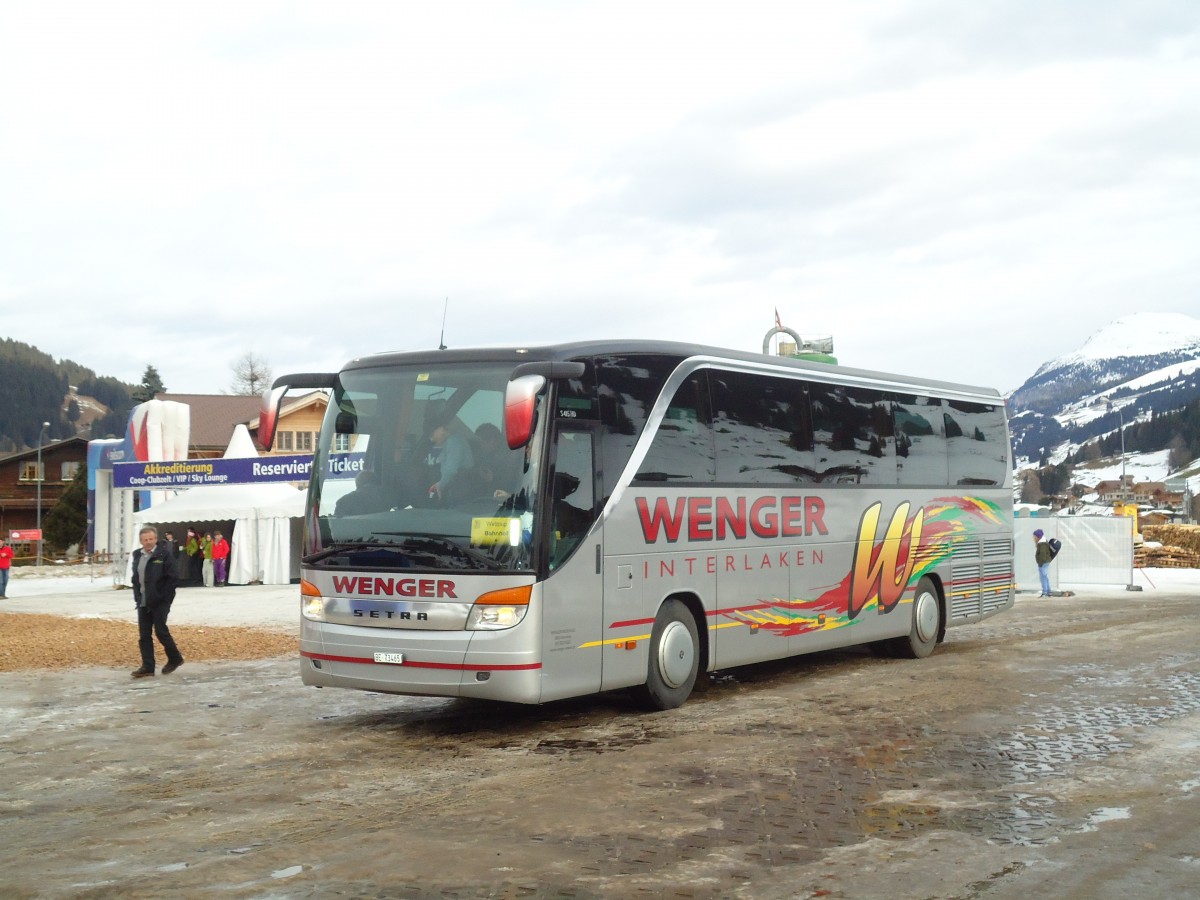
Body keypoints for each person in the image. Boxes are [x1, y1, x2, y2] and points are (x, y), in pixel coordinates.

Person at [130, 524, 183, 678]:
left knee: (160, 631)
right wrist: (137, 597)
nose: (148, 542)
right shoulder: (137, 555)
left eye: (151, 539)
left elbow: (173, 578)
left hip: (160, 600)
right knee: (144, 635)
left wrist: (164, 597)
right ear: (141, 541)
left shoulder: (164, 554)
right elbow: (136, 579)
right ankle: (147, 666)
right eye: (145, 539)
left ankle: (175, 658)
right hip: (143, 601)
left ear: (155, 538)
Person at [426, 408, 474, 502]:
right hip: (456, 488)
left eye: (432, 434)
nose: (432, 439)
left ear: (441, 429)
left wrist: (440, 485)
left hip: (460, 490)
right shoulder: (449, 442)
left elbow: (451, 469)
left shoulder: (454, 441)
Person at [1033, 529, 1053, 597]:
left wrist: (1040, 563)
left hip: (1043, 563)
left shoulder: (1042, 543)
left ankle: (1045, 592)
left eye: (1034, 536)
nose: (1034, 538)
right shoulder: (1043, 542)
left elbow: (1043, 554)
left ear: (1038, 536)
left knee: (1043, 577)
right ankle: (1049, 591)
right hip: (1045, 562)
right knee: (1045, 577)